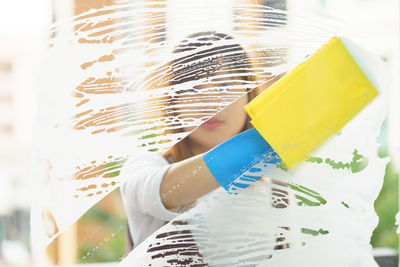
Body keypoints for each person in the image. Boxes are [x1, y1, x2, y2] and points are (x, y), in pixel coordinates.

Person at [120, 31, 282, 250]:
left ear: (248, 93)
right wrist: (263, 141)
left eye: (224, 86)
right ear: (173, 102)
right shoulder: (142, 168)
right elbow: (164, 193)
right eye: (193, 88)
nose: (209, 101)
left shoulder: (278, 190)